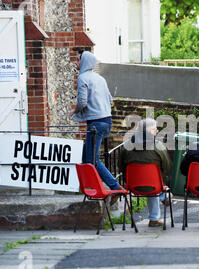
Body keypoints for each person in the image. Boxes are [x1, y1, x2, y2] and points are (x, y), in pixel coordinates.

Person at [70, 50, 122, 192]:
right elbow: (110, 99)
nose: (76, 62)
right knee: (84, 155)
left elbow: (82, 102)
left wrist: (74, 111)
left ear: (85, 62)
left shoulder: (83, 78)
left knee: (93, 160)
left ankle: (114, 187)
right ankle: (87, 185)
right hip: (107, 121)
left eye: (78, 60)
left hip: (95, 124)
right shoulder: (100, 78)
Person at [118, 118, 173, 227]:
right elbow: (167, 167)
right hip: (155, 186)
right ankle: (161, 202)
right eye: (155, 129)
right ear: (150, 130)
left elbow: (120, 166)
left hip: (132, 186)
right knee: (154, 187)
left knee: (152, 186)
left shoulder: (126, 146)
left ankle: (158, 207)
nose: (156, 132)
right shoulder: (159, 146)